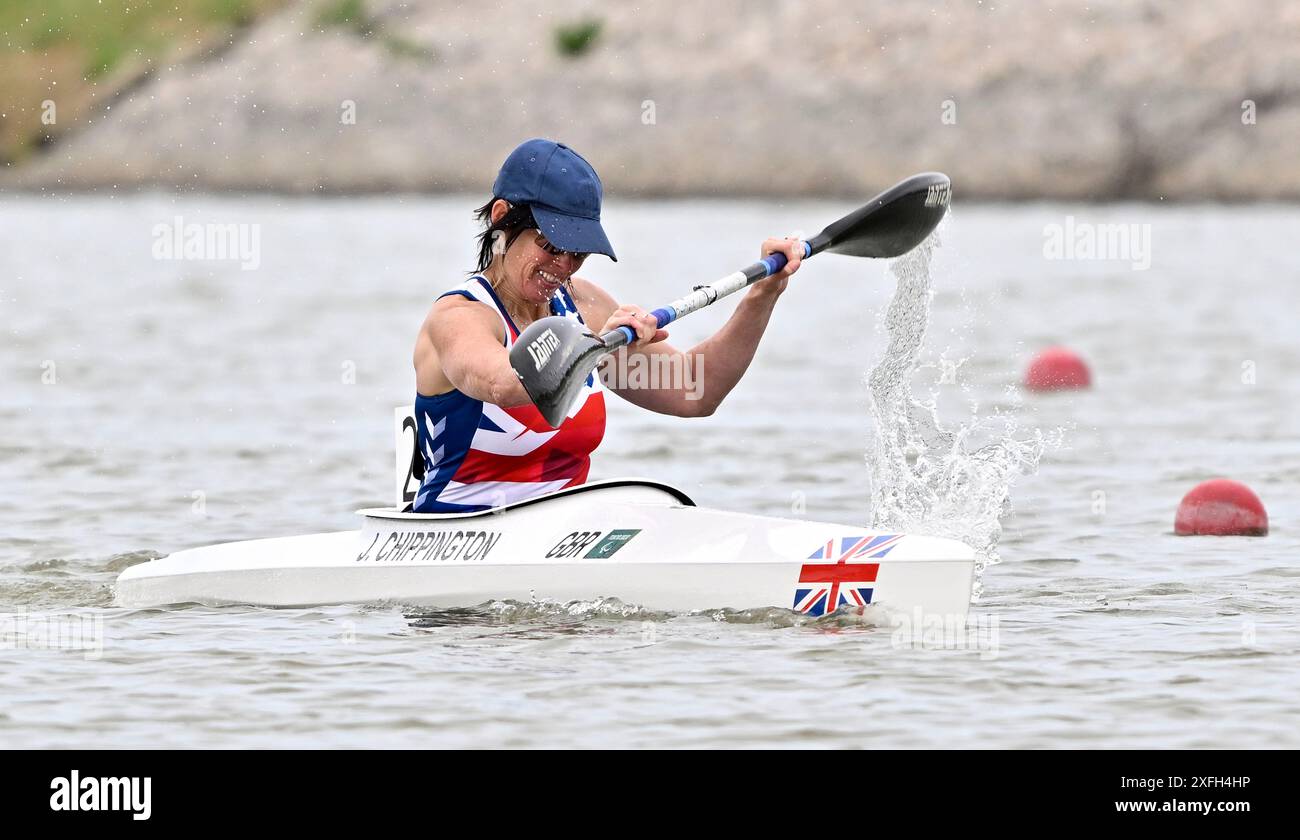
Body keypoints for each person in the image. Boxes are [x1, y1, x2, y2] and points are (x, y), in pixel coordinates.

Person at [410, 138, 802, 512]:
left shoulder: (583, 305)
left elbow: (695, 391)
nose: (563, 266)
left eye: (578, 253)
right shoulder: (459, 317)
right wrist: (597, 346)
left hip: (560, 534)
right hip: (459, 534)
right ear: (501, 220)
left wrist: (763, 295)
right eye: (550, 246)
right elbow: (502, 384)